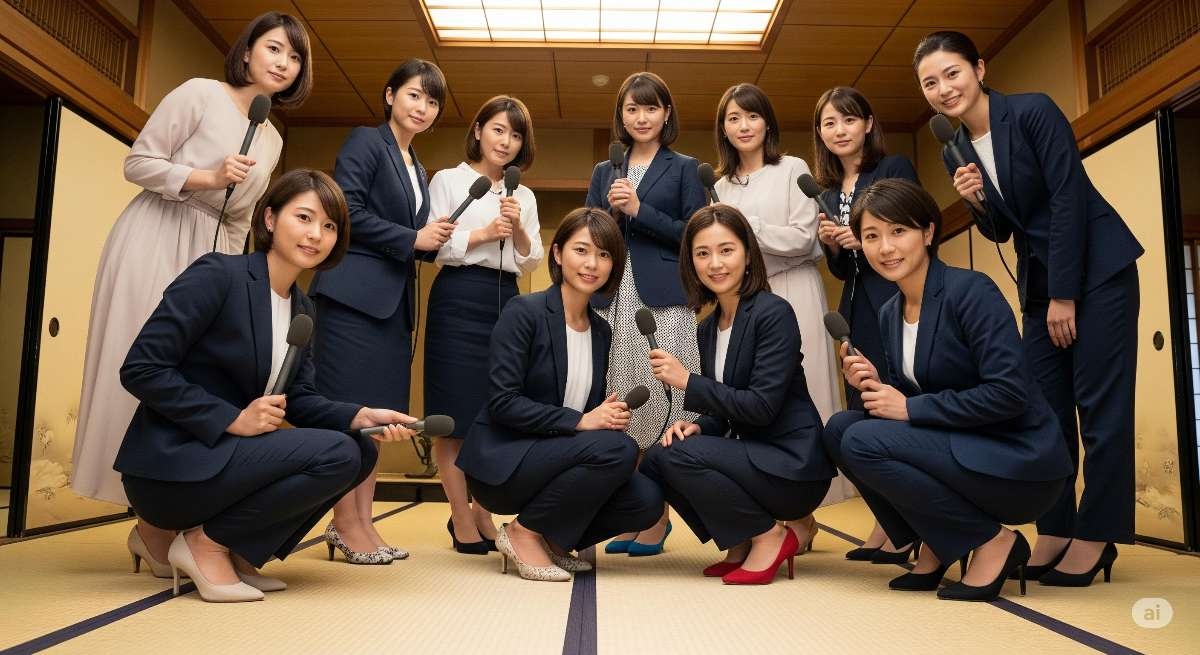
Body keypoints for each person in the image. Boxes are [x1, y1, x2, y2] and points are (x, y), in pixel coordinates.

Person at [71, 11, 314, 575]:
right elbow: (137, 162)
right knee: (151, 363)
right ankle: (150, 520)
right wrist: (207, 176)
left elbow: (246, 217)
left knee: (204, 375)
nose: (284, 63)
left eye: (295, 57)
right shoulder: (200, 93)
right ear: (247, 51)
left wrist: (238, 275)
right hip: (160, 231)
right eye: (274, 48)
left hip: (218, 250)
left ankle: (164, 524)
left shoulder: (273, 137)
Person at [115, 170, 416, 602]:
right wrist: (231, 419)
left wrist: (360, 415)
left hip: (227, 460)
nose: (316, 235)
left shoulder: (302, 307)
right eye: (304, 217)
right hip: (173, 466)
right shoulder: (219, 275)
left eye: (329, 226)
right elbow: (141, 368)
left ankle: (234, 548)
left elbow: (300, 400)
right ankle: (204, 545)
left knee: (360, 449)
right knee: (337, 453)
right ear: (270, 219)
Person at [915, 30, 1142, 586]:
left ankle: (1098, 534)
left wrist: (1065, 294)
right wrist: (976, 202)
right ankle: (1056, 527)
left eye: (952, 73)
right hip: (1041, 285)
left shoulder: (1032, 111)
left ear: (979, 69)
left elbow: (1067, 197)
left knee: (1101, 408)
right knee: (1044, 412)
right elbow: (1003, 229)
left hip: (1098, 272)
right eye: (930, 83)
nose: (944, 89)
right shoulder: (955, 148)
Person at [823, 179, 1072, 601]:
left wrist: (908, 409)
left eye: (898, 231)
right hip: (957, 446)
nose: (886, 247)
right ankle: (938, 539)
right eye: (872, 236)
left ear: (928, 232)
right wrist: (878, 386)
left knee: (862, 440)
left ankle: (993, 541)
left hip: (1016, 459)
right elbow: (916, 393)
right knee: (839, 429)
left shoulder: (970, 291)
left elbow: (1009, 394)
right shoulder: (890, 312)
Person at [456, 208, 664, 581]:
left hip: (556, 458)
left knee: (646, 500)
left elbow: (579, 410)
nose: (592, 264)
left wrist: (602, 416)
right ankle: (522, 533)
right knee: (620, 449)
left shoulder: (601, 330)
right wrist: (582, 421)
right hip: (505, 461)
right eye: (581, 250)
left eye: (604, 254)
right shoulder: (524, 312)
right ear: (557, 253)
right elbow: (503, 402)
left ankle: (551, 538)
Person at [308, 58, 456, 564]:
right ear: (390, 95)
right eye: (414, 95)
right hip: (353, 297)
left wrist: (430, 242)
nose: (423, 108)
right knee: (351, 413)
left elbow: (410, 239)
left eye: (432, 102)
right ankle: (344, 523)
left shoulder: (418, 167)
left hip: (393, 306)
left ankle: (363, 521)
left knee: (377, 420)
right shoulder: (366, 141)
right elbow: (345, 210)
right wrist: (413, 237)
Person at [639, 204, 834, 585]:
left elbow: (761, 407)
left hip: (791, 465)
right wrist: (700, 426)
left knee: (678, 456)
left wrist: (688, 382)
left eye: (726, 250)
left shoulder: (773, 313)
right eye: (702, 253)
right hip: (752, 456)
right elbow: (727, 408)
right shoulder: (708, 327)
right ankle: (741, 539)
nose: (715, 263)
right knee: (661, 454)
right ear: (690, 262)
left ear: (747, 254)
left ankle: (769, 536)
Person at [585, 71, 707, 555]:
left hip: (665, 298)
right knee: (622, 405)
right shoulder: (604, 170)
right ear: (621, 115)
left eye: (651, 108)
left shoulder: (685, 168)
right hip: (613, 297)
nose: (641, 117)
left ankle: (659, 520)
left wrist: (639, 209)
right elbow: (589, 231)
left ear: (666, 113)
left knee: (665, 400)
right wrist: (611, 216)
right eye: (632, 109)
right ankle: (637, 511)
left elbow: (694, 235)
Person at [425, 96, 543, 555]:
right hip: (457, 297)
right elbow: (433, 245)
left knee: (492, 414)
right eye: (498, 130)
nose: (506, 141)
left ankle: (482, 511)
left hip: (506, 299)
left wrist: (516, 229)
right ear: (478, 131)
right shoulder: (448, 180)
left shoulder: (523, 195)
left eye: (515, 134)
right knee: (454, 415)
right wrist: (482, 234)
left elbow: (531, 259)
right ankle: (460, 517)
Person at [811, 85, 921, 562]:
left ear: (868, 124)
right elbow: (842, 270)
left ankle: (909, 520)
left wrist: (864, 237)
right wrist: (833, 246)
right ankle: (886, 519)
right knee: (860, 405)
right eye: (829, 123)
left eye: (849, 119)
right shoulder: (827, 191)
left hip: (894, 298)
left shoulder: (892, 169)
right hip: (856, 305)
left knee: (891, 400)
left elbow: (911, 229)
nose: (840, 130)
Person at [711, 83, 840, 426]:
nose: (744, 126)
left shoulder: (792, 168)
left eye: (752, 116)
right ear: (723, 129)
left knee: (810, 385)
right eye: (733, 118)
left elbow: (803, 238)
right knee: (757, 392)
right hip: (746, 297)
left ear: (767, 123)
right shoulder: (720, 187)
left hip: (795, 286)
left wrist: (746, 226)